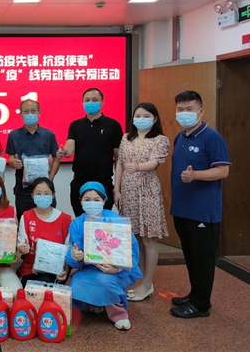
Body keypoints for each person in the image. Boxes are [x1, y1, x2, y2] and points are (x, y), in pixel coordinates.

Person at [169, 91, 230, 319]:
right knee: (191, 255)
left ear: (200, 111)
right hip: (182, 208)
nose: (183, 113)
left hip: (203, 211)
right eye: (180, 109)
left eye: (189, 109)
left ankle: (201, 304)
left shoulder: (212, 137)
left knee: (203, 259)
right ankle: (195, 295)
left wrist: (196, 175)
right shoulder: (180, 137)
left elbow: (223, 170)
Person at [66, 182, 142, 331]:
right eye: (87, 200)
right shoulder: (77, 224)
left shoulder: (115, 220)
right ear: (80, 201)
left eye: (96, 199)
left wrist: (117, 268)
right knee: (75, 283)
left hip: (117, 270)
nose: (92, 203)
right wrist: (74, 255)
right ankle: (95, 303)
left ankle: (118, 313)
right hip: (90, 269)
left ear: (104, 200)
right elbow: (72, 252)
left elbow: (130, 250)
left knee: (104, 281)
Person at [114, 102, 170, 302]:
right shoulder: (126, 138)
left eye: (146, 116)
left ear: (154, 119)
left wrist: (137, 167)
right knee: (136, 238)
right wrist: (116, 189)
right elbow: (120, 164)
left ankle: (147, 284)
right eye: (138, 116)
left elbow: (154, 163)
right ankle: (143, 282)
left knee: (148, 239)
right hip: (127, 193)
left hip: (147, 192)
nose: (141, 119)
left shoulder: (160, 140)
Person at [57, 88, 123, 217]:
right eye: (87, 100)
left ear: (102, 102)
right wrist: (64, 151)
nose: (90, 103)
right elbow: (70, 148)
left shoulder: (113, 125)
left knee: (102, 222)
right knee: (81, 220)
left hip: (103, 184)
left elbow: (119, 158)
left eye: (94, 100)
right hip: (80, 183)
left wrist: (117, 188)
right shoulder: (75, 125)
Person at [5, 99, 60, 221]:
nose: (30, 114)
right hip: (23, 189)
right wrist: (13, 163)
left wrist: (50, 178)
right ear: (21, 114)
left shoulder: (49, 135)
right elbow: (10, 159)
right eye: (26, 111)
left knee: (48, 221)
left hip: (45, 189)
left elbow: (56, 159)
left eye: (33, 111)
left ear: (39, 113)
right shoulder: (13, 135)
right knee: (24, 222)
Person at [17, 178, 72, 287]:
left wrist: (65, 270)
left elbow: (68, 249)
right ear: (32, 195)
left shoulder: (64, 219)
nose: (42, 197)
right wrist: (22, 248)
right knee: (28, 292)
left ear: (53, 195)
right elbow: (20, 245)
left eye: (46, 193)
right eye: (38, 193)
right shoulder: (26, 216)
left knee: (43, 289)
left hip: (54, 270)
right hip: (30, 269)